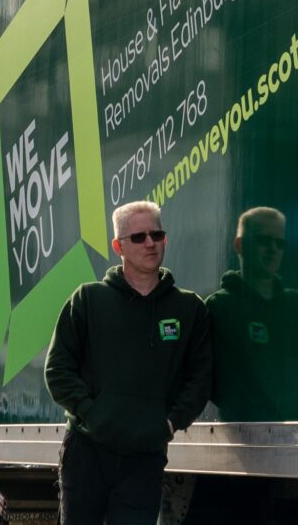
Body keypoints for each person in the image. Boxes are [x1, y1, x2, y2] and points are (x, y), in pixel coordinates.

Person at [45, 200, 212, 524]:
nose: (150, 243)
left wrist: (169, 422)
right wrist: (93, 413)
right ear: (117, 245)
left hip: (145, 457)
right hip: (87, 452)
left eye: (156, 234)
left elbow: (201, 378)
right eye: (138, 237)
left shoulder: (189, 309)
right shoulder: (88, 299)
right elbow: (58, 369)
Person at [206, 207, 298, 421]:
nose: (273, 249)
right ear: (240, 245)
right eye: (263, 240)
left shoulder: (294, 304)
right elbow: (216, 381)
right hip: (245, 437)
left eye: (279, 243)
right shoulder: (220, 307)